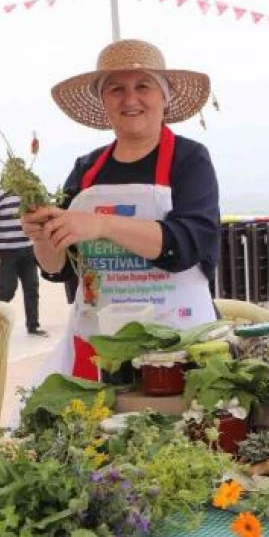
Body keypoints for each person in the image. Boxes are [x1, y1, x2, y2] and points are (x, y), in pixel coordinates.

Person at [22, 39, 221, 382]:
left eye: (143, 86)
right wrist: (43, 237)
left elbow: (189, 244)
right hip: (98, 348)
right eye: (116, 89)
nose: (130, 99)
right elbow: (60, 269)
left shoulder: (189, 159)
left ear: (165, 96)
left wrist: (100, 224)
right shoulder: (85, 169)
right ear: (104, 102)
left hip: (179, 347)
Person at [0, 187, 47, 336]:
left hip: (27, 249)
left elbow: (39, 218)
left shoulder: (29, 193)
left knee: (32, 288)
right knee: (7, 289)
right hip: (6, 251)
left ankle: (33, 326)